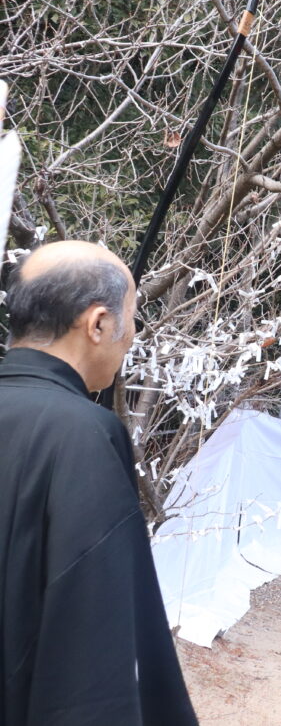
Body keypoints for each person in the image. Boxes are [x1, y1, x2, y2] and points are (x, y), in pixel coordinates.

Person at [0, 241, 198, 725]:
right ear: (99, 324)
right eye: (131, 318)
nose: (131, 336)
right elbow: (93, 632)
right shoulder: (83, 433)